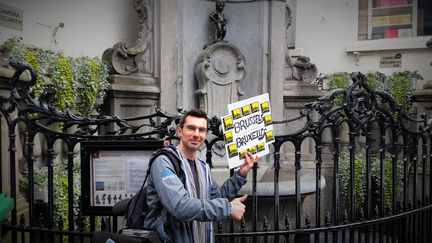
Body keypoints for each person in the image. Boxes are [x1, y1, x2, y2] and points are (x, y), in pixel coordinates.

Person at [144, 108, 259, 243]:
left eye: (201, 130)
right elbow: (179, 206)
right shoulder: (163, 162)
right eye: (191, 128)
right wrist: (227, 208)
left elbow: (218, 198)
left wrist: (241, 173)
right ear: (180, 132)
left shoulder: (202, 168)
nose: (196, 134)